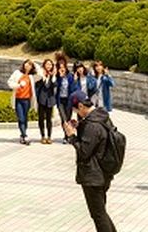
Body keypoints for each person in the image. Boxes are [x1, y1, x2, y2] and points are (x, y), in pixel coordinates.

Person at [63, 96, 117, 232]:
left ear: (81, 106)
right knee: (100, 212)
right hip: (103, 172)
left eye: (76, 109)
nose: (76, 113)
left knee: (98, 214)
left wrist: (71, 136)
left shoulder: (92, 125)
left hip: (93, 176)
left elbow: (84, 151)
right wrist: (80, 126)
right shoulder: (101, 117)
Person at [7, 59, 35, 145]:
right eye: (26, 64)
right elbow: (9, 82)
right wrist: (18, 85)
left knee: (25, 118)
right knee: (21, 118)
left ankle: (22, 136)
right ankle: (24, 135)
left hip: (27, 100)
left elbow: (41, 74)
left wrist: (34, 63)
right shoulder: (17, 73)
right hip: (18, 99)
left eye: (30, 65)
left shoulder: (31, 76)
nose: (27, 66)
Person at [34, 57, 57, 144]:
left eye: (50, 64)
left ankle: (49, 136)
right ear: (44, 65)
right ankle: (43, 136)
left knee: (49, 119)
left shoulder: (53, 75)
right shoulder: (40, 75)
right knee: (41, 119)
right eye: (47, 64)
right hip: (41, 100)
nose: (49, 66)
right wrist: (42, 77)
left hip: (50, 100)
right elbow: (37, 85)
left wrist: (53, 75)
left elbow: (54, 85)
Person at [55, 59, 73, 140]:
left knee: (68, 118)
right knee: (64, 119)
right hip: (60, 100)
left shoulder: (70, 76)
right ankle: (66, 136)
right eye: (60, 67)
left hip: (68, 100)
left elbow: (72, 87)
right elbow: (55, 86)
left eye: (63, 67)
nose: (62, 69)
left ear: (66, 67)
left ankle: (68, 136)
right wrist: (60, 77)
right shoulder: (57, 77)